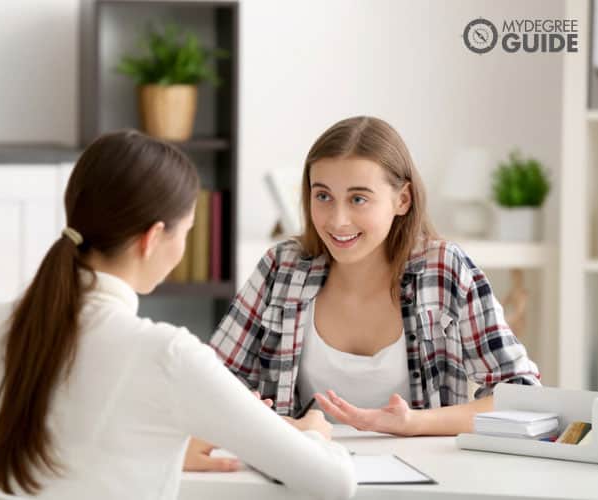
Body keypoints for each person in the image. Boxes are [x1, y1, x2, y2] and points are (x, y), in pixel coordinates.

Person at [0, 130, 356, 500]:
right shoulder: (168, 354)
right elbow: (334, 483)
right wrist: (315, 434)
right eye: (185, 233)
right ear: (152, 239)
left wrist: (173, 443)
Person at [210, 116, 541, 436]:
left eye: (358, 199)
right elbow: (209, 384)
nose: (338, 220)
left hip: (426, 480)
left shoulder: (444, 269)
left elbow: (522, 397)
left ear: (402, 200)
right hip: (306, 476)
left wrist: (413, 423)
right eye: (323, 196)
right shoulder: (282, 268)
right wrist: (277, 424)